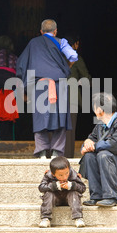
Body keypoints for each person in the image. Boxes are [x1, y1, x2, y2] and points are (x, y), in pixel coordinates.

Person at [16, 19, 78, 158]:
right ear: (55, 31)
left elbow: (20, 63)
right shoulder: (61, 42)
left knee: (40, 118)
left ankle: (42, 152)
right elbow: (73, 56)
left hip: (40, 84)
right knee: (60, 117)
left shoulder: (33, 43)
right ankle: (57, 152)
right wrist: (65, 68)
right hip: (59, 84)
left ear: (41, 32)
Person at [63, 33, 92, 158]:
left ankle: (53, 155)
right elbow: (87, 79)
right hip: (72, 96)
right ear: (75, 44)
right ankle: (67, 156)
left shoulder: (56, 56)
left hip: (54, 96)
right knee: (69, 129)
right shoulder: (76, 58)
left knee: (55, 127)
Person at [38, 156, 86, 228]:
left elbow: (82, 188)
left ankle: (78, 218)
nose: (64, 177)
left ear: (69, 169)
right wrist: (54, 186)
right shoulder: (48, 175)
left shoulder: (74, 175)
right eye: (60, 175)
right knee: (49, 194)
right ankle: (45, 218)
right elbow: (41, 188)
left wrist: (72, 185)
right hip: (55, 198)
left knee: (73, 193)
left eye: (67, 173)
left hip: (69, 198)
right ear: (53, 174)